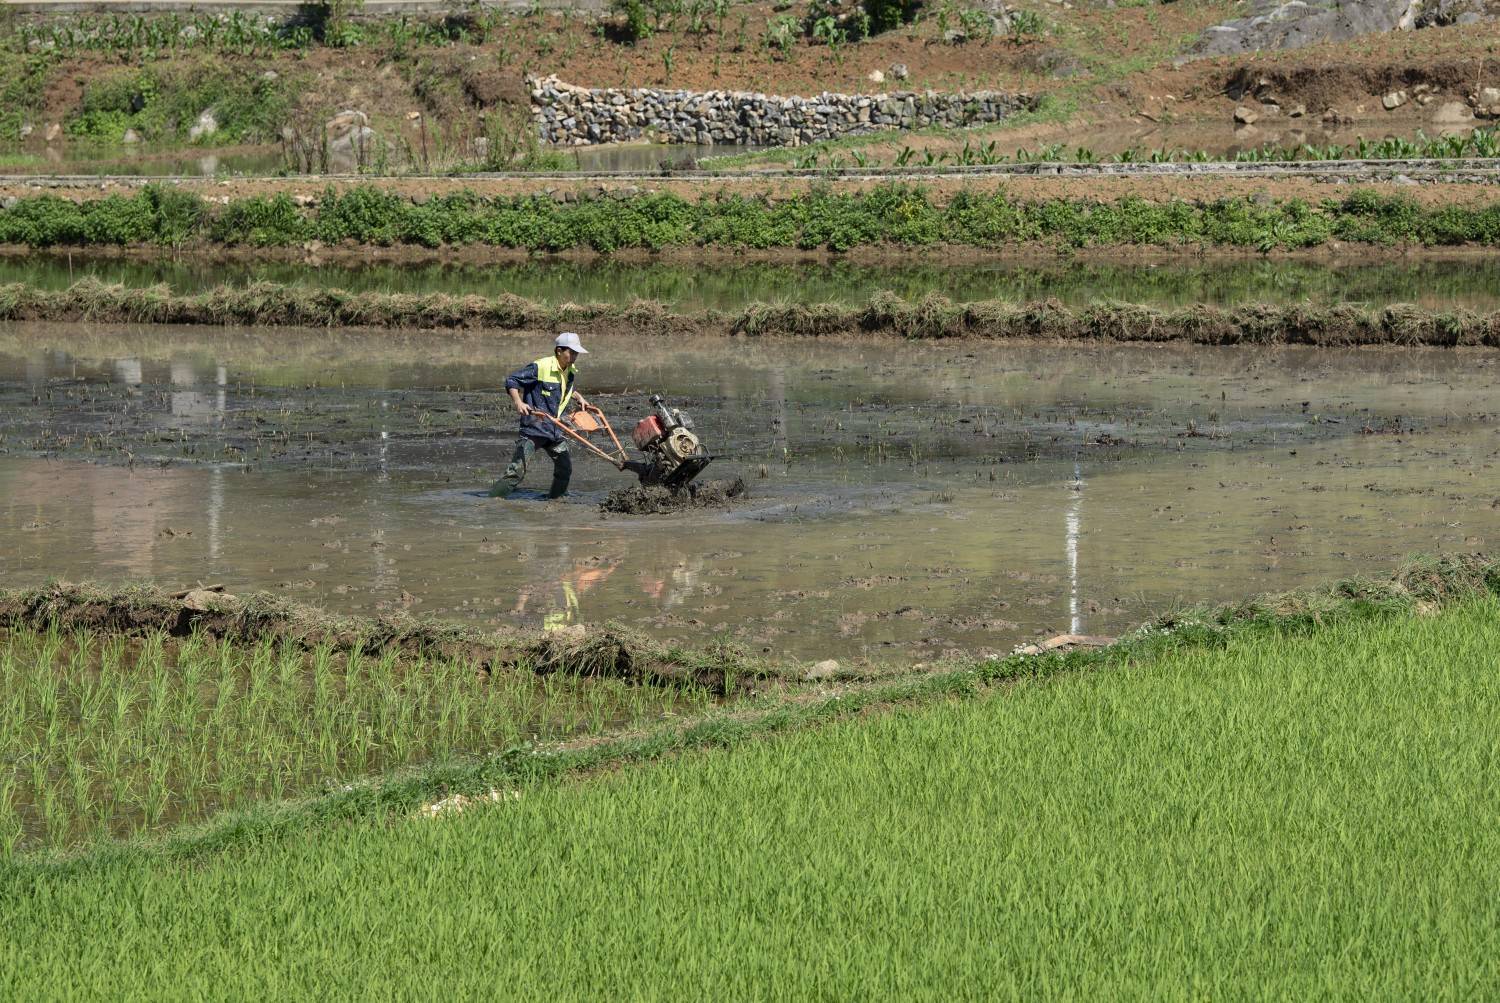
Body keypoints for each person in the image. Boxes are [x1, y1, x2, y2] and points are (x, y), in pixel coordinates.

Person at [489, 332, 588, 499]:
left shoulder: (569, 371)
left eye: (576, 353)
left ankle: (555, 501)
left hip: (554, 429)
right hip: (534, 429)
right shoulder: (540, 367)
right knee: (516, 472)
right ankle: (492, 503)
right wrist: (518, 402)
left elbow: (563, 388)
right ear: (559, 350)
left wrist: (578, 397)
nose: (574, 356)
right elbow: (512, 381)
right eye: (571, 352)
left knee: (565, 469)